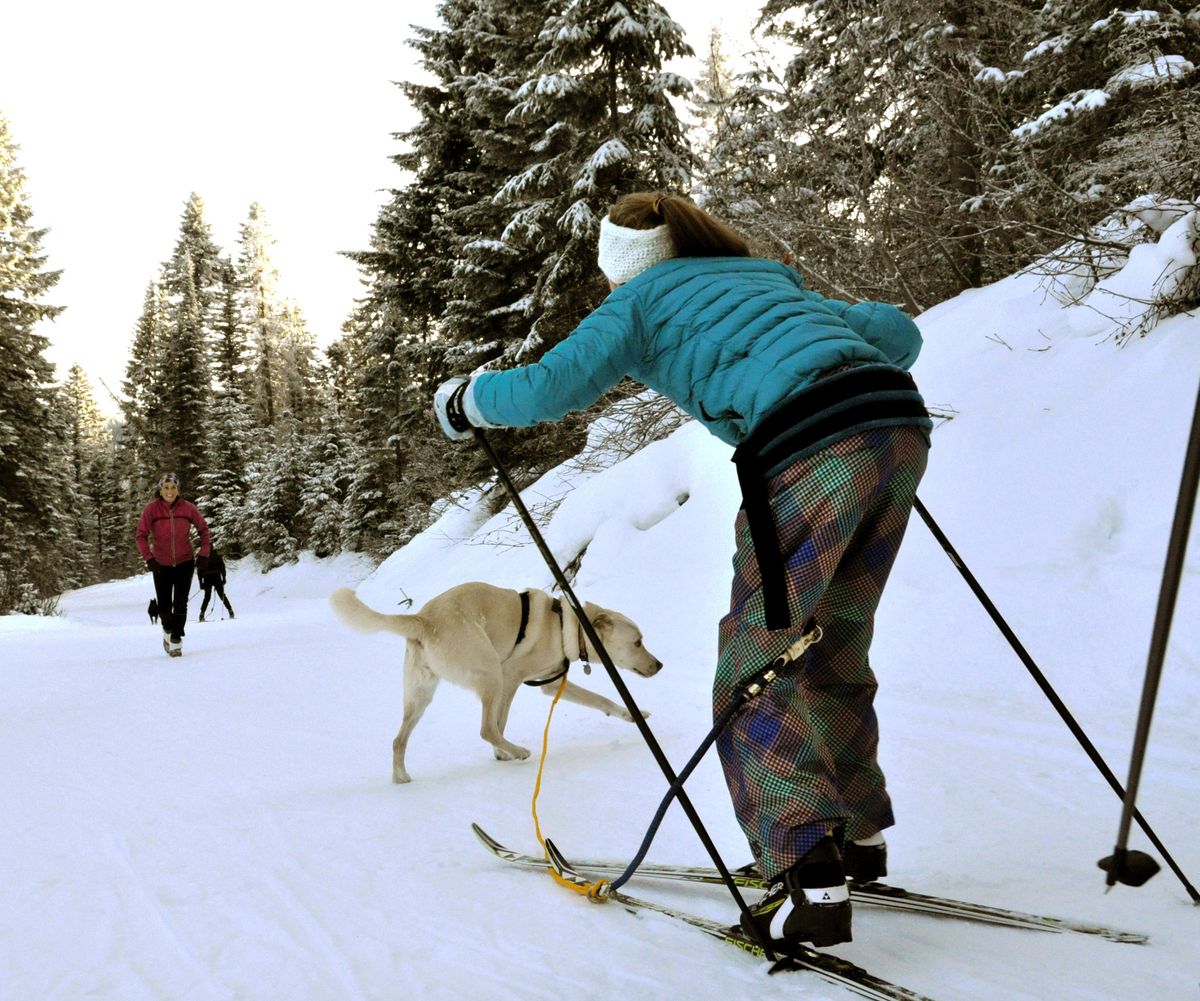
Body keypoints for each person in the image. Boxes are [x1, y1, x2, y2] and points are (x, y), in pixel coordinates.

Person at [433, 192, 932, 950]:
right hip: (897, 425)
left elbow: (548, 386)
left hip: (805, 447)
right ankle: (858, 841)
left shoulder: (635, 304)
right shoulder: (762, 275)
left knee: (755, 665)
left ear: (620, 268)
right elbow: (899, 333)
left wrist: (467, 400)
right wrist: (809, 326)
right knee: (835, 637)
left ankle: (808, 862)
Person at [135, 472, 212, 657]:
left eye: (173, 487)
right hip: (161, 564)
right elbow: (140, 536)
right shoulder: (151, 510)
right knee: (164, 607)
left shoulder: (188, 508)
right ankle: (168, 630)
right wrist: (149, 559)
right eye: (166, 488)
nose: (170, 491)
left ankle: (176, 639)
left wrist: (203, 554)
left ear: (178, 489)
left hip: (185, 561)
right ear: (160, 489)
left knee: (180, 604)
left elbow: (204, 531)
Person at [198, 547, 235, 622]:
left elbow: (199, 571)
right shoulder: (217, 556)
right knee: (222, 595)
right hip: (216, 577)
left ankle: (202, 614)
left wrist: (201, 583)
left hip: (207, 578)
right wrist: (224, 578)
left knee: (207, 597)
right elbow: (222, 567)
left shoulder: (202, 557)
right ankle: (230, 611)